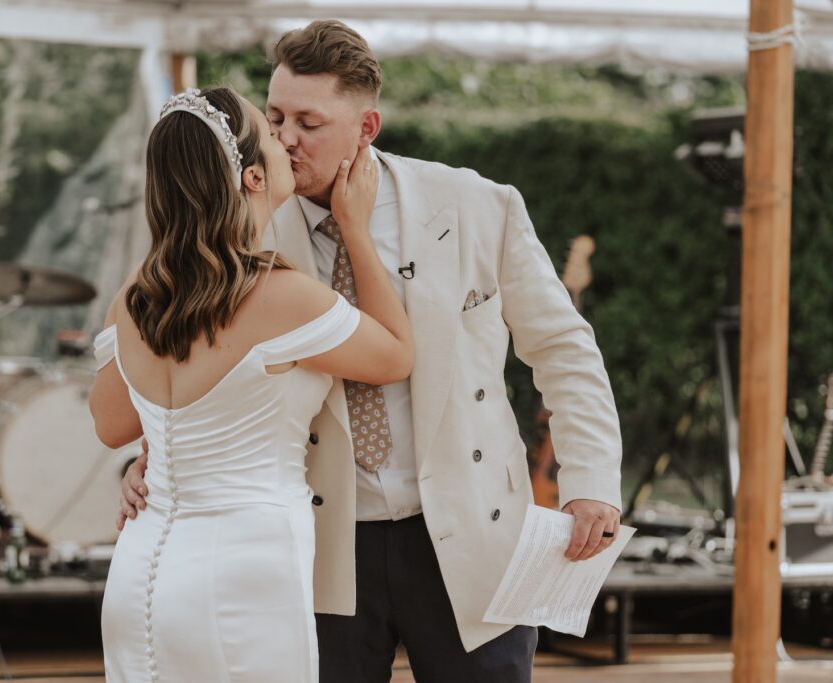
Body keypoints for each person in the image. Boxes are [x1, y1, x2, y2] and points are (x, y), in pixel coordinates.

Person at [118, 20, 624, 683]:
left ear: (367, 128)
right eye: (274, 118)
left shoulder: (477, 205)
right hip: (321, 542)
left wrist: (591, 483)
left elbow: (563, 348)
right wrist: (153, 456)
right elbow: (189, 358)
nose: (285, 138)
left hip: (469, 529)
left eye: (309, 121)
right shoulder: (241, 227)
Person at [90, 85, 414, 683]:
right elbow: (394, 355)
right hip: (243, 576)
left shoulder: (136, 297)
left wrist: (161, 455)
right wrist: (356, 230)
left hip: (141, 576)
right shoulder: (279, 296)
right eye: (269, 133)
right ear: (253, 179)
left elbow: (114, 424)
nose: (286, 141)